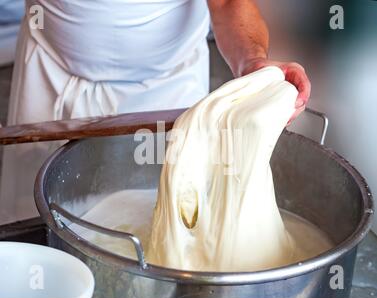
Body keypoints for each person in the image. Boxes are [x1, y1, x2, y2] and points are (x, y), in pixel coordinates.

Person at [0, 0, 311, 225]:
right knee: (37, 224)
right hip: (51, 76)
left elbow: (228, 3)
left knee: (164, 223)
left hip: (167, 87)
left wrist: (252, 63)